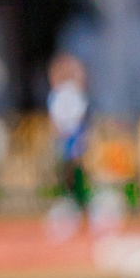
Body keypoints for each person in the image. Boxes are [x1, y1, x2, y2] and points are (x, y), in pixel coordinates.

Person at [44, 52, 91, 241]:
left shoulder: (73, 93)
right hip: (65, 141)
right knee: (66, 176)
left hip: (74, 141)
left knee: (77, 174)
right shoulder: (58, 95)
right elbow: (56, 121)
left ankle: (81, 208)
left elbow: (78, 117)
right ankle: (70, 207)